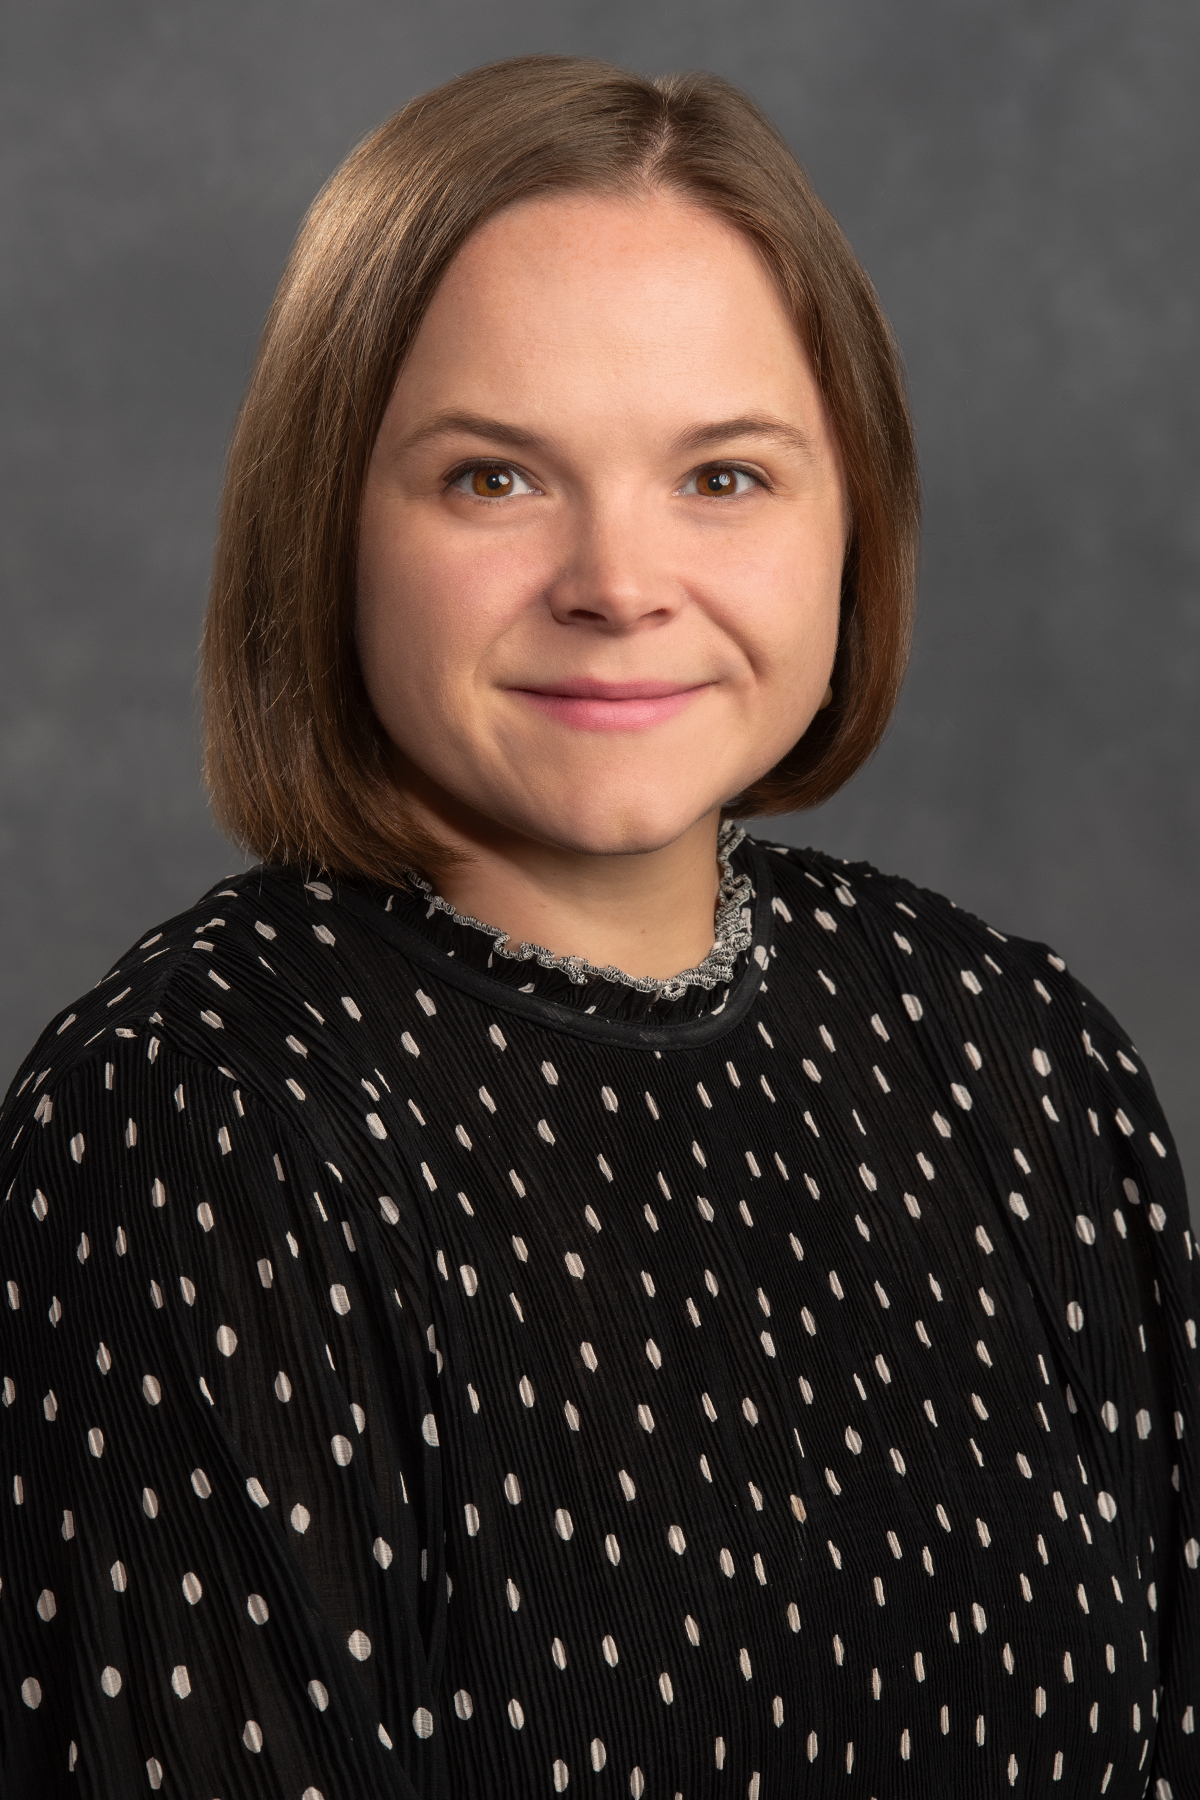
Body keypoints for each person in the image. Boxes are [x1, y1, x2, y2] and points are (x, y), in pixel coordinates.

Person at [0, 53, 1194, 1800]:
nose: (620, 582)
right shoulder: (193, 1136)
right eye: (495, 479)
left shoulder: (1013, 1055)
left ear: (850, 517)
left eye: (725, 476)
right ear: (330, 521)